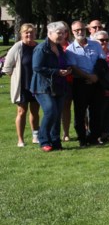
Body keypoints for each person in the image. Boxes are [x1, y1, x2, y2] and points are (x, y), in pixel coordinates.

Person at [31, 21, 71, 152]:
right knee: (50, 111)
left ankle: (56, 142)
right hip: (43, 86)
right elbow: (37, 67)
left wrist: (66, 70)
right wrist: (57, 72)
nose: (62, 36)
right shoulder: (42, 48)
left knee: (57, 114)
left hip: (58, 85)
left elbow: (61, 64)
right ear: (49, 33)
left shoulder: (59, 48)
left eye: (63, 33)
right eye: (59, 33)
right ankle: (44, 141)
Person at [65, 19, 105, 146]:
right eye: (76, 30)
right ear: (72, 32)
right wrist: (89, 77)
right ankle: (82, 138)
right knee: (80, 113)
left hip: (96, 81)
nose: (79, 32)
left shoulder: (96, 45)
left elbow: (102, 62)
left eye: (81, 29)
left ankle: (94, 138)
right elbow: (74, 68)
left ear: (85, 29)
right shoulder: (70, 49)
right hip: (80, 83)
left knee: (96, 112)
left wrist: (96, 77)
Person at [2, 23, 40, 147]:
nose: (29, 35)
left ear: (35, 33)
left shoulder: (38, 47)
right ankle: (21, 139)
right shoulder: (17, 47)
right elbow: (7, 67)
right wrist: (16, 78)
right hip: (22, 85)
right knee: (22, 111)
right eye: (26, 32)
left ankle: (35, 136)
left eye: (31, 32)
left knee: (35, 111)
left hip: (36, 85)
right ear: (21, 34)